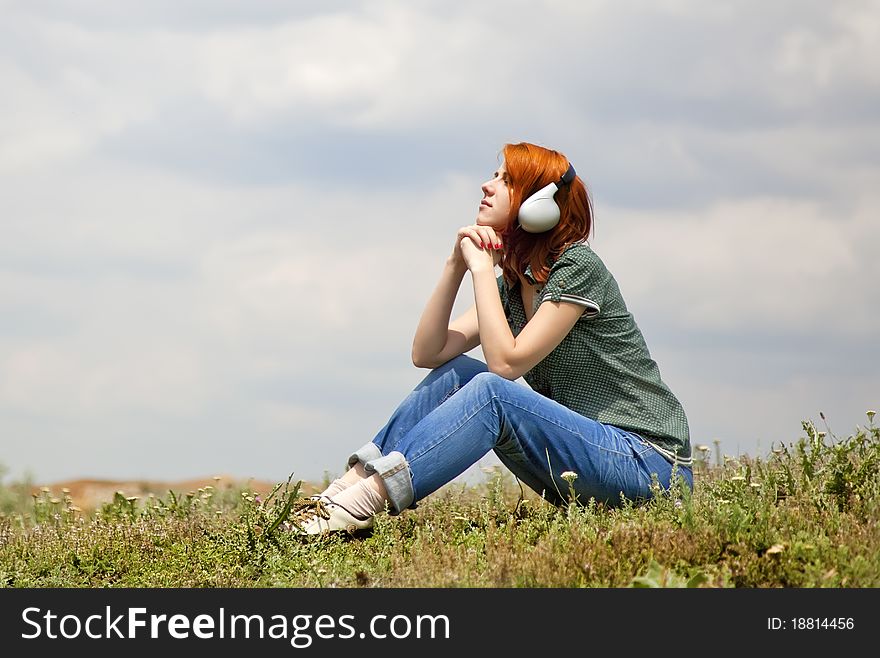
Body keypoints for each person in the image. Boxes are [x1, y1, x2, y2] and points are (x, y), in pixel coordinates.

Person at [291, 141, 692, 535]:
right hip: (584, 463)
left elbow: (506, 365)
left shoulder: (577, 266)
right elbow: (428, 352)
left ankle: (359, 506)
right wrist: (455, 266)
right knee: (460, 372)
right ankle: (339, 495)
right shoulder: (513, 287)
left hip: (650, 466)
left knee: (492, 391)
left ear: (540, 205)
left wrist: (483, 271)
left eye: (506, 180)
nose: (487, 185)